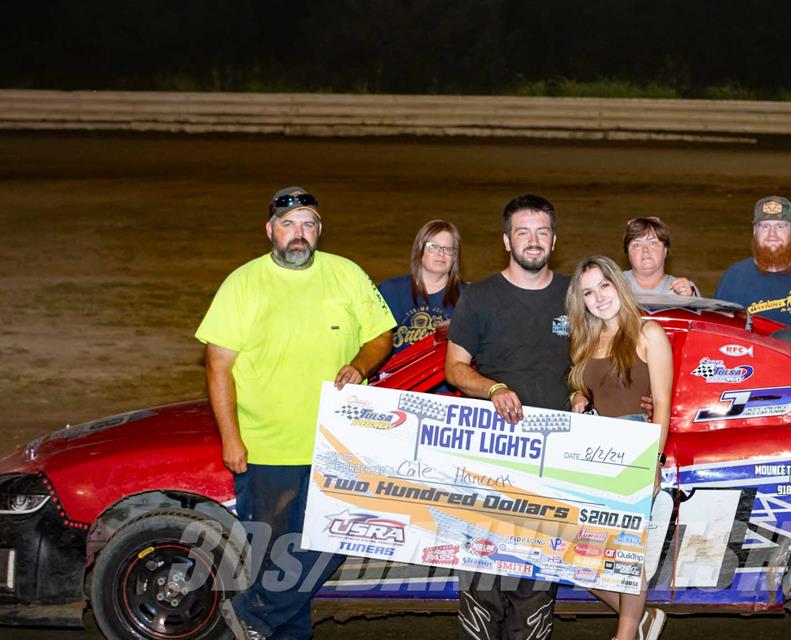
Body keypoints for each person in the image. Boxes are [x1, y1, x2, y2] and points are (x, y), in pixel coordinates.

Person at [196, 187, 395, 640]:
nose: (298, 234)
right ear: (270, 230)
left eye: (307, 224)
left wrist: (361, 364)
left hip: (339, 443)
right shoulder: (242, 284)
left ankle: (253, 617)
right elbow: (218, 364)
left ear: (319, 231)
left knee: (340, 538)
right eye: (288, 224)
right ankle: (272, 628)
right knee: (277, 559)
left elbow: (382, 334)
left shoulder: (346, 274)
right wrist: (232, 438)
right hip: (270, 447)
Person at [444, 194, 571, 640]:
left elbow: (605, 354)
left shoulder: (575, 294)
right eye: (523, 232)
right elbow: (454, 368)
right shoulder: (479, 297)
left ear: (553, 240)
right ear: (506, 240)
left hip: (554, 462)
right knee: (483, 581)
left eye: (541, 232)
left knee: (536, 585)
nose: (532, 241)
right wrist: (493, 387)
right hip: (491, 458)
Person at [566, 255, 672, 640]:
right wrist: (578, 395)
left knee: (626, 553)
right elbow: (588, 385)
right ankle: (642, 619)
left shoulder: (649, 333)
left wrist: (652, 461)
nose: (599, 297)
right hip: (592, 451)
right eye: (588, 292)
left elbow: (661, 402)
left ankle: (626, 634)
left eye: (604, 286)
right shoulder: (586, 338)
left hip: (634, 449)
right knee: (576, 557)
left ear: (618, 285)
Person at [714, 196, 791, 324]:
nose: (772, 235)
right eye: (765, 226)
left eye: (781, 226)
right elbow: (720, 327)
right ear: (755, 231)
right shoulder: (734, 276)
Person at [379, 220, 465, 354]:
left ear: (454, 257)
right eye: (433, 246)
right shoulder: (390, 291)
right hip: (396, 374)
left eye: (448, 249)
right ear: (420, 249)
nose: (441, 253)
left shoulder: (468, 296)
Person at [623, 216, 699, 296]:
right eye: (637, 245)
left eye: (652, 243)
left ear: (665, 250)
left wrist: (691, 299)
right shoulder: (613, 285)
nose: (645, 250)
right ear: (628, 253)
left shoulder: (686, 290)